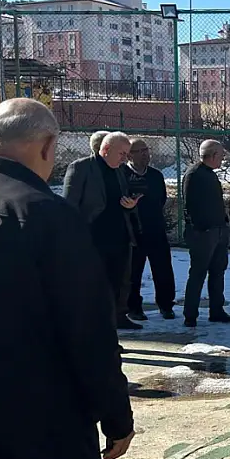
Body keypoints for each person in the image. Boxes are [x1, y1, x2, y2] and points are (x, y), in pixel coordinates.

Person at [0, 98, 134, 459]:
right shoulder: (47, 214)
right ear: (48, 147)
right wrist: (115, 413)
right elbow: (88, 329)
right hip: (42, 401)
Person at [64, 130, 143, 330]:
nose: (125, 158)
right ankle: (93, 324)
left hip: (120, 235)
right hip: (92, 236)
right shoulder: (81, 168)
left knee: (121, 280)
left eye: (127, 154)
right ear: (105, 149)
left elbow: (122, 197)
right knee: (94, 283)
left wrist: (130, 204)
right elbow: (69, 205)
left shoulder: (119, 170)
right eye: (122, 153)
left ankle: (119, 316)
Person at [181, 140, 230, 327]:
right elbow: (190, 205)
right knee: (198, 273)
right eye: (220, 155)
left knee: (218, 271)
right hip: (203, 233)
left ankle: (217, 310)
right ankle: (190, 314)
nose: (223, 159)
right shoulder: (194, 174)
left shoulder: (210, 174)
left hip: (218, 230)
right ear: (212, 155)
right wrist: (202, 227)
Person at [123, 138, 176, 320]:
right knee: (134, 272)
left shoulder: (155, 175)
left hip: (156, 229)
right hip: (134, 231)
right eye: (140, 151)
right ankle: (134, 308)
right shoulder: (122, 174)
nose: (146, 154)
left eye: (147, 150)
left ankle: (166, 305)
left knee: (163, 269)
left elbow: (161, 199)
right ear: (129, 155)